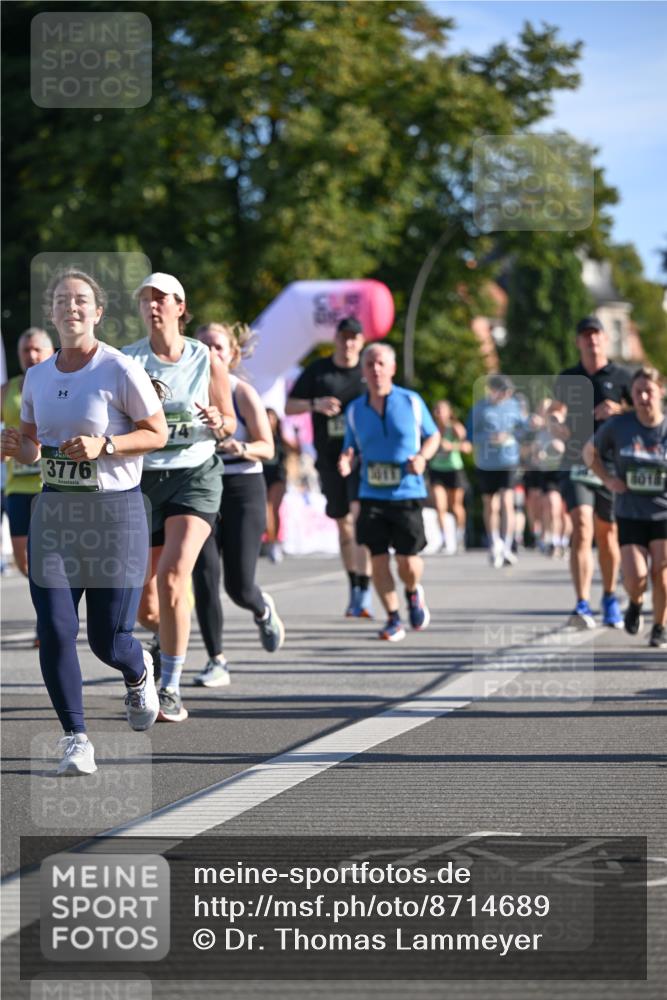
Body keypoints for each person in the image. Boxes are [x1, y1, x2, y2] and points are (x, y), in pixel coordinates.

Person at [0, 269, 168, 775]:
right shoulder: (38, 376)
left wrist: (107, 445)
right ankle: (76, 737)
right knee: (53, 627)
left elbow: (156, 431)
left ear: (97, 313)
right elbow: (33, 447)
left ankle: (138, 672)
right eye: (61, 301)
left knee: (106, 640)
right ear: (51, 315)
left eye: (81, 301)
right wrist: (18, 447)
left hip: (114, 514)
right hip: (54, 509)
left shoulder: (118, 369)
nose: (70, 307)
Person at [122, 273, 236, 721]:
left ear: (180, 306)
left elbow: (228, 423)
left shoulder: (206, 359)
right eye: (145, 299)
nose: (152, 306)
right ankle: (167, 637)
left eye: (160, 299)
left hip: (195, 474)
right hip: (145, 480)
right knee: (147, 603)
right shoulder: (128, 359)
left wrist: (217, 420)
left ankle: (169, 685)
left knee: (173, 578)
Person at [191, 322, 284, 688]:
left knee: (239, 586)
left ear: (232, 353)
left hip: (243, 485)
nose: (210, 354)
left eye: (217, 347)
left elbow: (269, 447)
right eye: (202, 347)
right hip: (200, 486)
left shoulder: (241, 391)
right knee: (204, 577)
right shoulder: (186, 392)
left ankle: (261, 608)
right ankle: (216, 660)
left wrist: (240, 447)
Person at [338, 343, 440, 641]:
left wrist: (422, 458)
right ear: (363, 370)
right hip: (371, 493)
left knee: (407, 561)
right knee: (378, 558)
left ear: (392, 368)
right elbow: (350, 446)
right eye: (369, 364)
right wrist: (346, 460)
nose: (375, 369)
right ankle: (393, 618)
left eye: (381, 363)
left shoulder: (411, 402)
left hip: (406, 492)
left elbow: (432, 435)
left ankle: (412, 592)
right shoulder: (355, 409)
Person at [286, 316, 373, 618]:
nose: (349, 343)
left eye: (355, 338)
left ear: (361, 342)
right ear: (336, 339)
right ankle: (355, 585)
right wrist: (315, 405)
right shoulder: (318, 371)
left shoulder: (368, 370)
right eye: (344, 337)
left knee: (362, 521)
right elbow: (289, 405)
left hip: (364, 459)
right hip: (329, 459)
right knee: (345, 524)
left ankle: (366, 587)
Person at [555, 316, 632, 628]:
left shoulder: (622, 376)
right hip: (576, 460)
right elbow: (554, 412)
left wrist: (621, 411)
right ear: (578, 342)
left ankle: (610, 595)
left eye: (597, 335)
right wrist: (555, 421)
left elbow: (645, 414)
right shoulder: (568, 377)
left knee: (608, 533)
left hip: (611, 464)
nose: (592, 341)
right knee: (582, 527)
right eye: (586, 336)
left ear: (605, 339)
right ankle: (582, 603)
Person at [585, 366, 667, 648]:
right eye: (638, 392)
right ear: (631, 394)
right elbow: (589, 453)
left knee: (663, 574)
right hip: (630, 511)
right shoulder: (620, 426)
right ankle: (635, 602)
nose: (644, 397)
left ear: (661, 392)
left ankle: (659, 627)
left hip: (663, 513)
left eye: (649, 391)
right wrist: (607, 479)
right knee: (636, 577)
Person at [1, 329, 54, 586]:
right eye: (25, 350)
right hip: (18, 486)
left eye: (37, 349)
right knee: (24, 560)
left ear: (51, 352)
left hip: (52, 484)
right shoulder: (7, 390)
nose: (31, 356)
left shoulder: (61, 387)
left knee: (54, 555)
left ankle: (54, 615)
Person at [466, 374, 527, 568]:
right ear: (493, 390)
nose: (507, 394)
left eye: (509, 391)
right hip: (486, 462)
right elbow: (470, 435)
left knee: (507, 502)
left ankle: (507, 545)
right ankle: (494, 543)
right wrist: (489, 437)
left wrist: (530, 424)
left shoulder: (514, 406)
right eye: (504, 390)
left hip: (508, 460)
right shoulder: (479, 409)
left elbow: (522, 429)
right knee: (490, 504)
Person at [428, 400, 470, 553]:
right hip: (436, 469)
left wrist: (451, 446)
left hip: (454, 469)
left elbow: (467, 447)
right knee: (440, 506)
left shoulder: (455, 428)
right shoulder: (430, 429)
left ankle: (459, 536)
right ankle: (445, 540)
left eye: (442, 409)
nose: (439, 412)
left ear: (449, 411)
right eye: (436, 409)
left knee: (455, 506)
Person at [262, 408, 292, 563]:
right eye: (266, 418)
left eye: (271, 418)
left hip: (278, 476)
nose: (269, 421)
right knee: (266, 511)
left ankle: (274, 543)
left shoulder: (281, 438)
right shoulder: (257, 436)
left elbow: (295, 449)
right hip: (262, 476)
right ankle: (269, 540)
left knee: (273, 509)